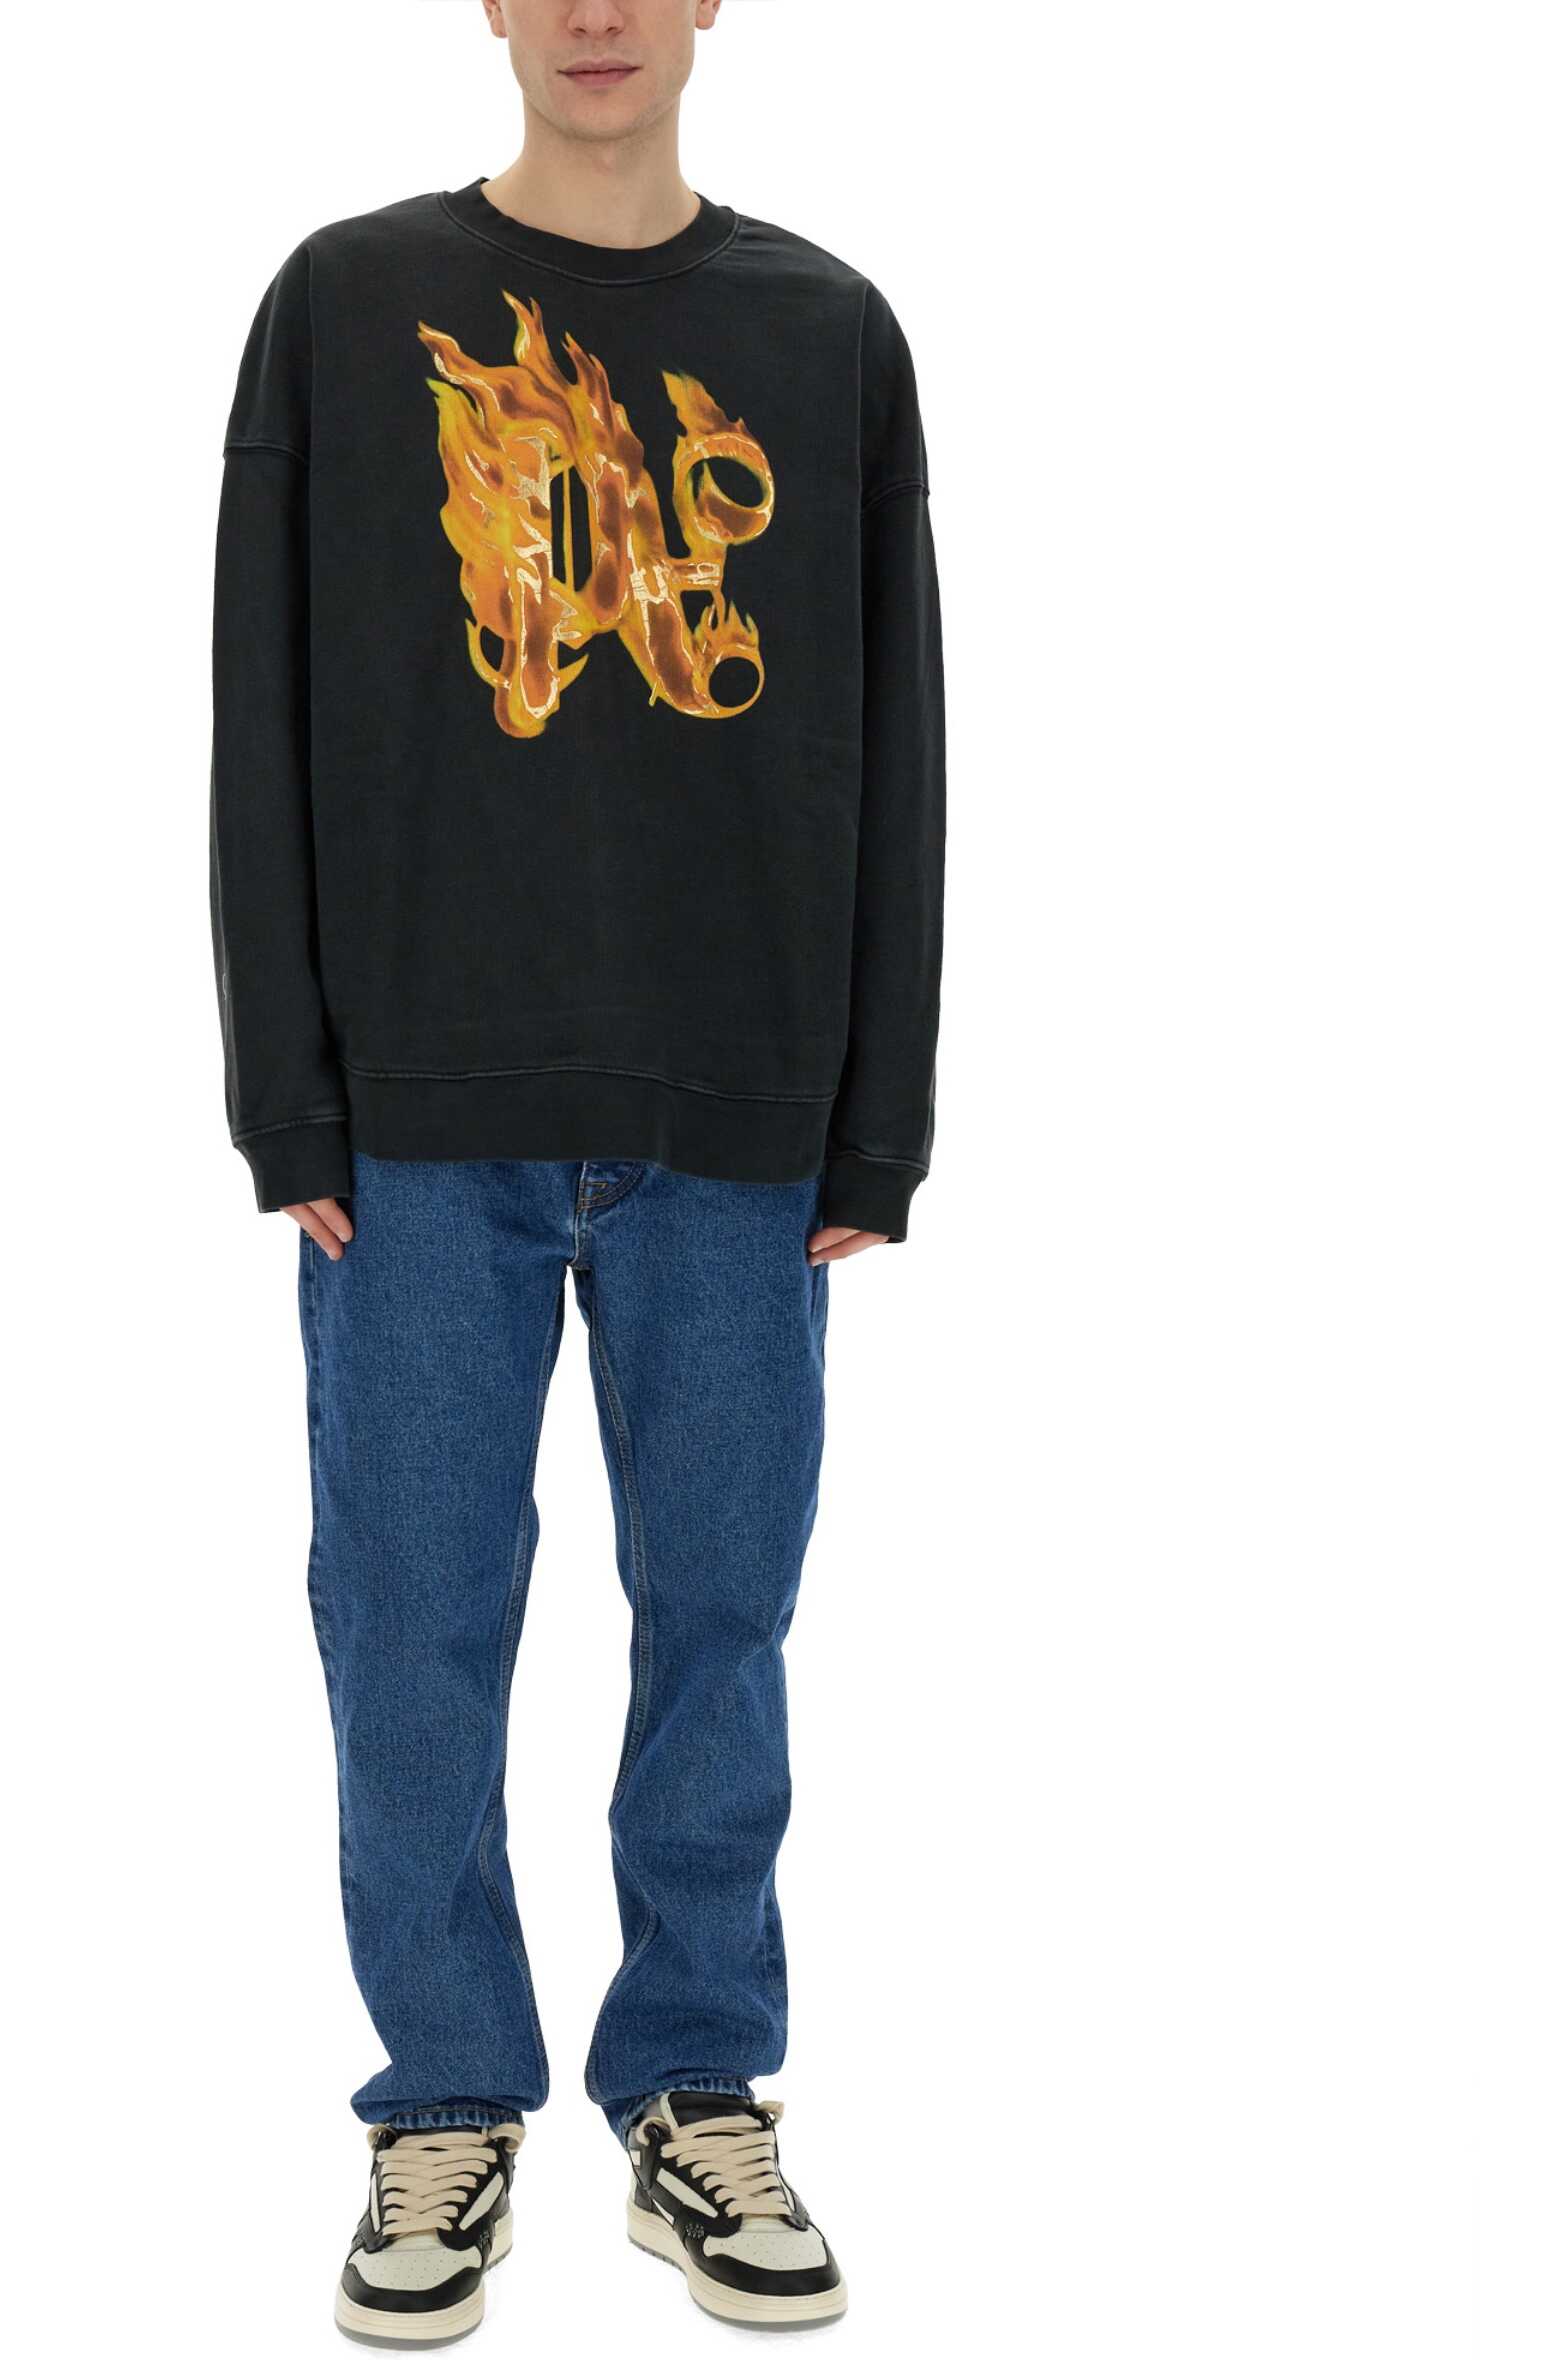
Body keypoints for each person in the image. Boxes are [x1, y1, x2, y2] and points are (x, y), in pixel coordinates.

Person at [209, 0, 944, 2340]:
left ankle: (697, 2084)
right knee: (409, 1628)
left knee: (721, 1621)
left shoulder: (825, 335)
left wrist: (879, 1111)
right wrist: (286, 1094)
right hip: (417, 1120)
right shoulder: (352, 304)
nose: (600, 12)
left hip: (736, 1109)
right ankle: (443, 2098)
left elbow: (898, 729)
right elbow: (258, 705)